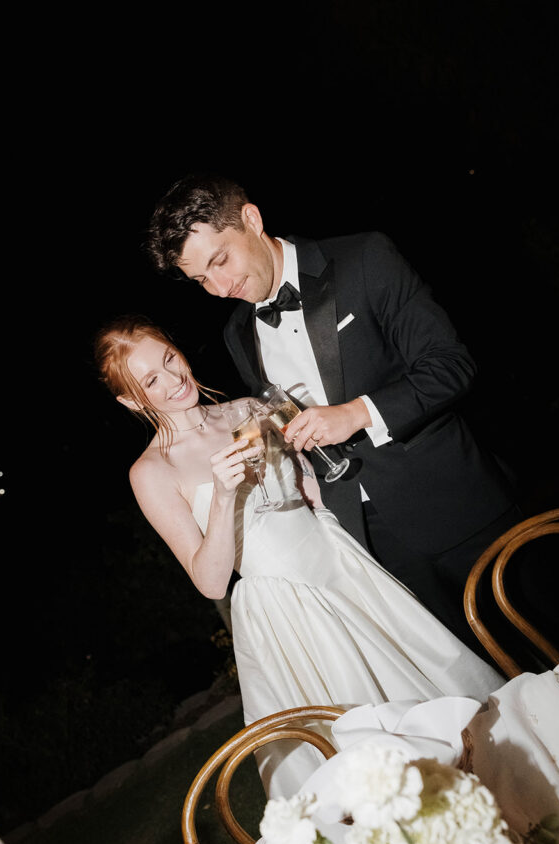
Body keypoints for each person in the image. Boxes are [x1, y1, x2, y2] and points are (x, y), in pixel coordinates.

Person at [94, 314, 504, 797]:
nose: (174, 380)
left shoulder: (249, 410)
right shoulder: (151, 471)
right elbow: (209, 581)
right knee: (369, 741)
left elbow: (310, 488)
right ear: (129, 400)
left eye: (169, 358)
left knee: (439, 691)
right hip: (289, 609)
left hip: (344, 566)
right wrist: (225, 496)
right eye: (150, 381)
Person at [146, 174, 522, 650]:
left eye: (220, 260)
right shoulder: (237, 334)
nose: (220, 287)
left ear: (252, 219)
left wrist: (358, 413)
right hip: (367, 552)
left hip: (456, 509)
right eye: (202, 279)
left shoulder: (365, 257)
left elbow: (451, 365)